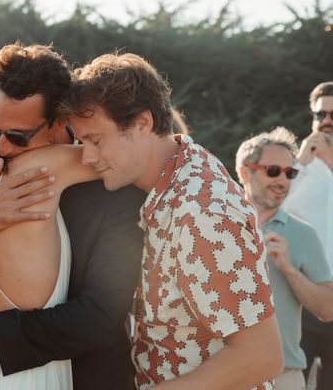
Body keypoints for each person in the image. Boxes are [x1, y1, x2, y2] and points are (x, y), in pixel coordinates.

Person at [0, 44, 146, 390]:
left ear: (60, 120)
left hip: (71, 372)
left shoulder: (112, 184)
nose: (1, 147)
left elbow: (98, 317)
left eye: (17, 136)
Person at [61, 53, 283, 389]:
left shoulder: (199, 212)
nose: (87, 157)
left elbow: (262, 355)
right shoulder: (181, 164)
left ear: (142, 123)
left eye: (95, 140)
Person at [236, 127, 333, 390]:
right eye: (273, 170)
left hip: (284, 378)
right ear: (246, 172)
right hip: (226, 375)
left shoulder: (303, 234)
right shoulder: (219, 227)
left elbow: (327, 310)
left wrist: (289, 270)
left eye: (290, 173)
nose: (283, 180)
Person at [282, 81, 333, 387]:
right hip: (302, 299)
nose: (326, 121)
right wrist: (301, 162)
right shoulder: (293, 166)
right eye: (320, 114)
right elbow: (269, 210)